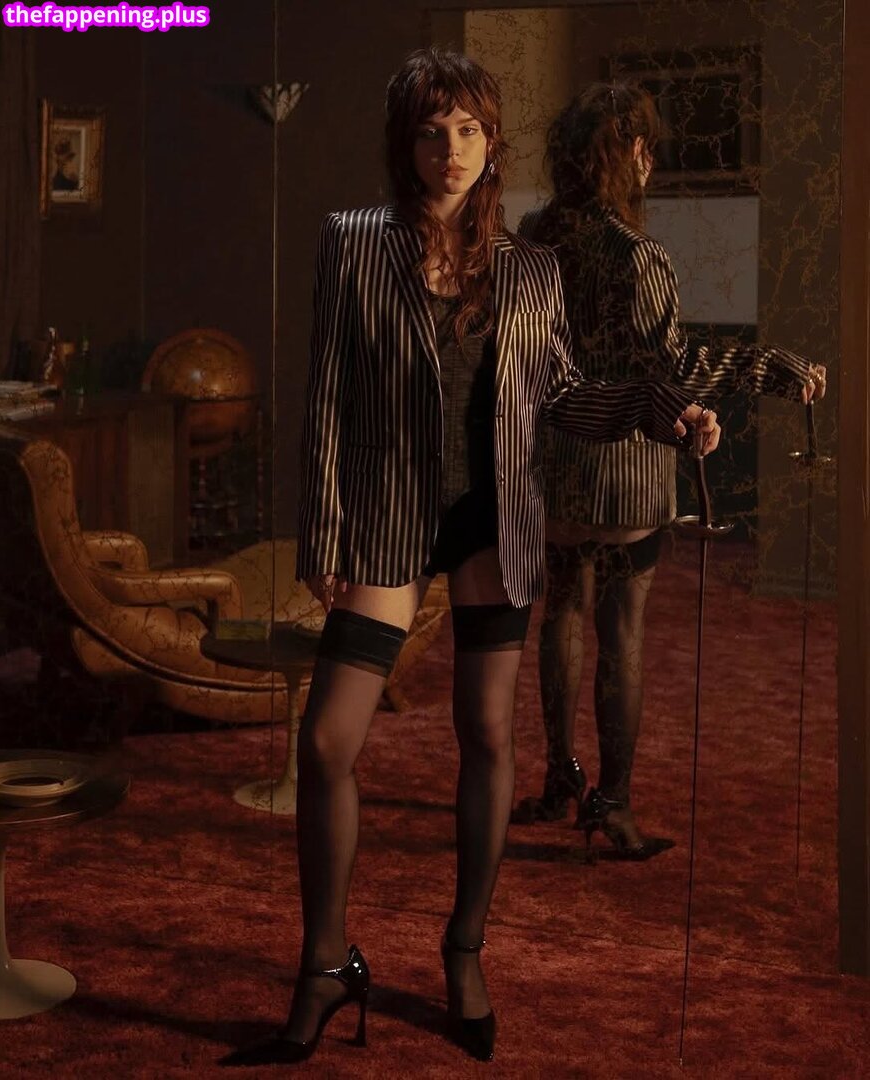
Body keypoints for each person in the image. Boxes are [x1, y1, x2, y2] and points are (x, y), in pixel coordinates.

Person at [221, 52, 718, 1068]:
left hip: (497, 519)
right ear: (403, 144)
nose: (448, 149)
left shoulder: (530, 269)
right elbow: (325, 394)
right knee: (327, 743)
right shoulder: (353, 243)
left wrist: (662, 411)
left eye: (466, 130)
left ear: (491, 143)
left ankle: (463, 951)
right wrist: (323, 530)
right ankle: (324, 963)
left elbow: (565, 394)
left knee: (487, 736)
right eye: (429, 131)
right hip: (388, 519)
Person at [511, 83, 825, 859]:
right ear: (624, 155)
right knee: (620, 631)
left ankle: (559, 778)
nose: (650, 158)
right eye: (642, 145)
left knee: (561, 614)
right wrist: (774, 369)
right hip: (627, 468)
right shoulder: (637, 254)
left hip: (556, 456)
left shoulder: (532, 237)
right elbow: (672, 366)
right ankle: (612, 805)